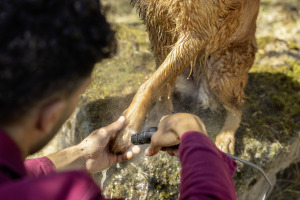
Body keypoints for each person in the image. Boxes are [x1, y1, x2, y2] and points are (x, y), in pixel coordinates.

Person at [0, 0, 237, 199]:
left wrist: (81, 155)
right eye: (80, 93)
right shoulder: (70, 193)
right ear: (49, 116)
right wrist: (194, 135)